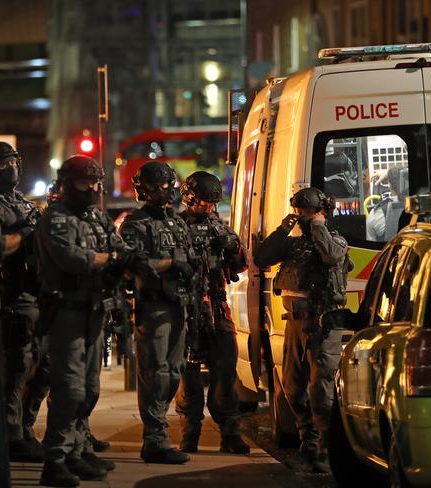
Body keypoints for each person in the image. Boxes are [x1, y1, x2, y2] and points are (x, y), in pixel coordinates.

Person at [35, 155, 126, 486]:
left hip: (93, 311)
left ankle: (75, 451)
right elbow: (71, 258)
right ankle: (55, 459)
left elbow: (121, 248)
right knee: (69, 389)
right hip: (65, 315)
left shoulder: (96, 218)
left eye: (96, 183)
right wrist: (108, 259)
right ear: (66, 183)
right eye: (85, 182)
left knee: (88, 389)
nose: (92, 189)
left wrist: (126, 259)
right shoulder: (56, 219)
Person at [253, 187, 351, 473]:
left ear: (321, 212)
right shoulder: (293, 244)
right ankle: (308, 444)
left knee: (321, 389)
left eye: (307, 213)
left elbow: (332, 256)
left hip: (323, 323)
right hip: (295, 323)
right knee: (293, 387)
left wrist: (318, 224)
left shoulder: (335, 240)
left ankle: (326, 448)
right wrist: (285, 228)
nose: (303, 219)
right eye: (300, 213)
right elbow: (262, 258)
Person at [119, 161, 195, 464]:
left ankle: (159, 434)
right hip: (154, 306)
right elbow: (131, 265)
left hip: (179, 305)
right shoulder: (135, 224)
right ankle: (155, 439)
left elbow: (189, 257)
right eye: (159, 185)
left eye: (168, 184)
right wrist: (170, 264)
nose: (166, 190)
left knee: (174, 372)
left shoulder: (176, 222)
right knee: (155, 373)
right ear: (145, 188)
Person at [0, 141, 43, 462]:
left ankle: (25, 428)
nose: (12, 168)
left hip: (36, 293)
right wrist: (26, 234)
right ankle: (11, 434)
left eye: (14, 160)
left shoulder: (23, 203)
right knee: (16, 368)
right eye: (4, 163)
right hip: (10, 296)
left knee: (40, 367)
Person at [174, 171, 250, 454]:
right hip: (186, 310)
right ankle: (190, 432)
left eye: (212, 203)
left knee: (225, 372)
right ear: (190, 198)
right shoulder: (175, 227)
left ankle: (230, 433)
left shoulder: (220, 228)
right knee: (189, 375)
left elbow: (241, 264)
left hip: (217, 309)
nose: (209, 208)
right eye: (205, 202)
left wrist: (232, 247)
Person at [366, 166, 405, 242]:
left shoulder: (376, 215)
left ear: (389, 186)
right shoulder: (417, 206)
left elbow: (371, 246)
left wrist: (389, 174)